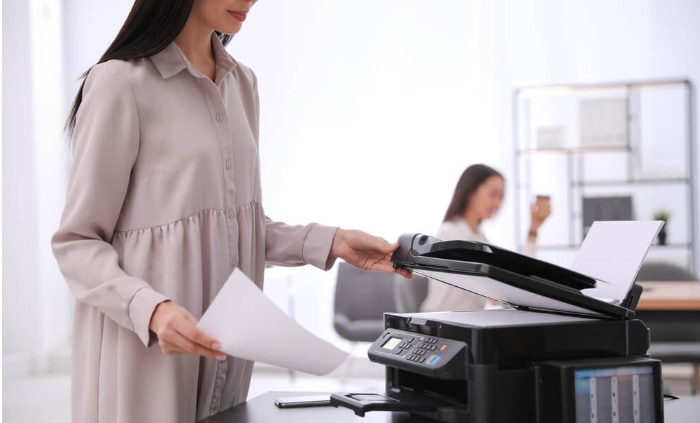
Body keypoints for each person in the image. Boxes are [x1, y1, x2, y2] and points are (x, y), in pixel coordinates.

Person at [51, 1, 409, 422]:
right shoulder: (119, 82)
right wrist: (152, 310)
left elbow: (234, 224)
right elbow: (77, 243)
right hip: (143, 352)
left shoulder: (243, 84)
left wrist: (332, 241)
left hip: (226, 350)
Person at [419, 164, 551, 312]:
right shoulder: (451, 234)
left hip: (465, 323)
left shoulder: (479, 238)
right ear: (471, 192)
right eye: (493, 194)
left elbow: (515, 280)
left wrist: (533, 230)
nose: (497, 203)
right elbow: (505, 286)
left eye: (500, 197)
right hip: (442, 324)